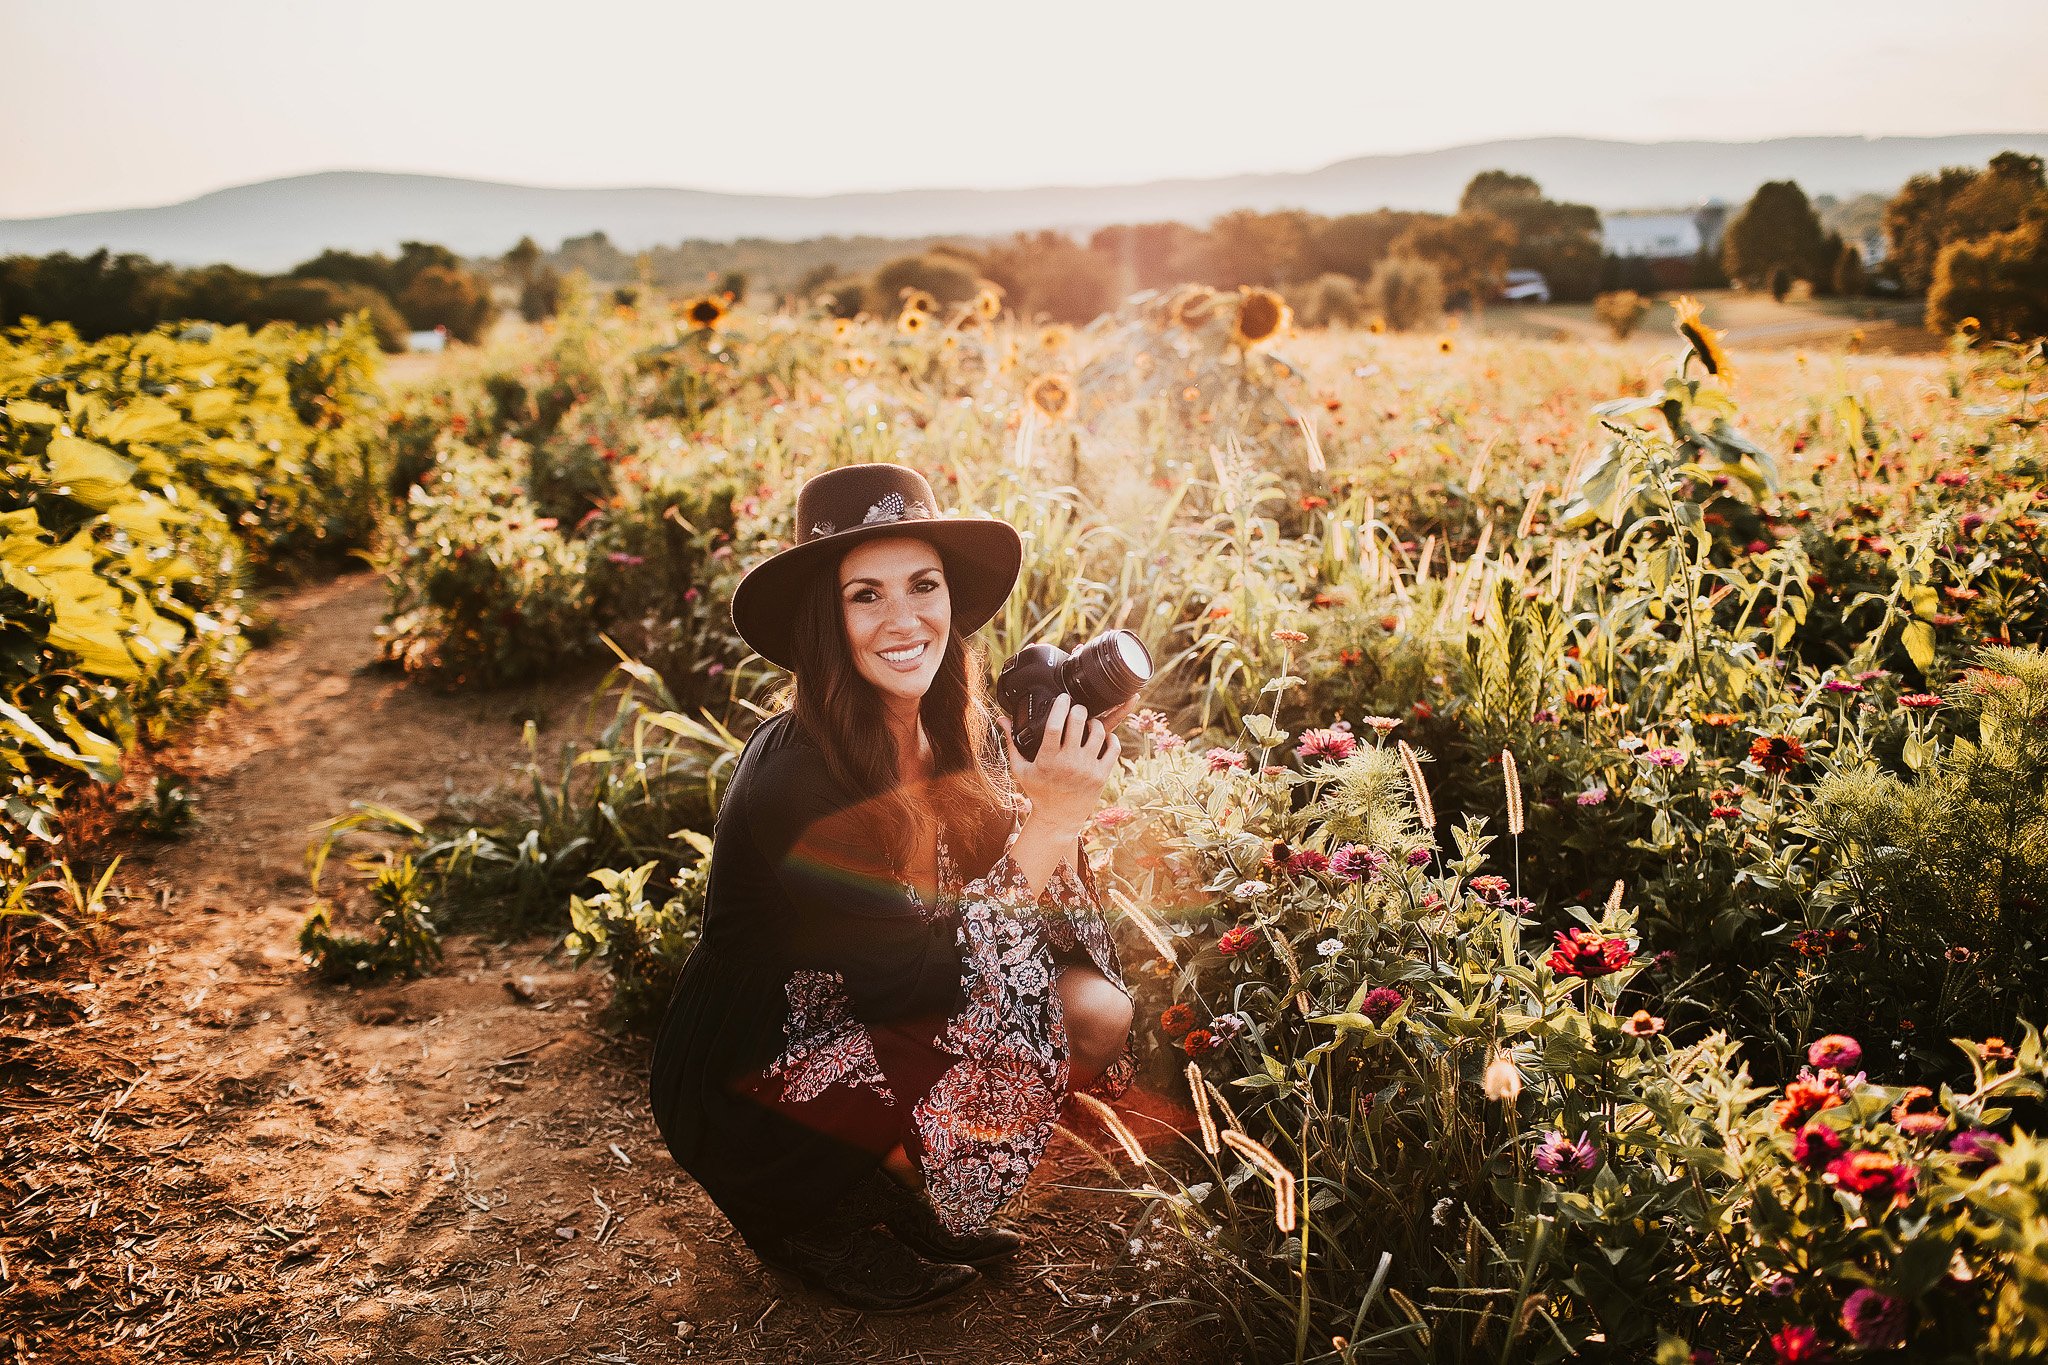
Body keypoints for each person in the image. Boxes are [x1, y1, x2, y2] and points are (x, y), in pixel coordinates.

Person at [648, 462, 1137, 1312]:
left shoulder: (962, 726)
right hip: (756, 1071)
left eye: (923, 584)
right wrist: (1050, 823)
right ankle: (801, 1210)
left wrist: (1042, 784)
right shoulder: (797, 781)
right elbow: (927, 978)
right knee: (990, 1024)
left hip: (874, 1006)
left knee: (1094, 1012)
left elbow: (1014, 913)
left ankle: (886, 1186)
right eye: (865, 595)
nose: (905, 618)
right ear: (824, 620)